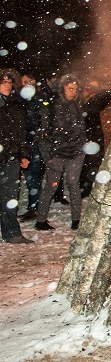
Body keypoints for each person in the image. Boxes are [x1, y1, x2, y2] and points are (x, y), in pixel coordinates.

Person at [36, 74, 87, 230]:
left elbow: (81, 129)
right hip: (56, 153)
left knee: (73, 185)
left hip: (75, 153)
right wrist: (48, 156)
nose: (73, 92)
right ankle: (40, 220)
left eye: (75, 89)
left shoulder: (77, 105)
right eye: (70, 88)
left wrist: (81, 148)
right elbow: (42, 133)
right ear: (62, 88)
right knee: (51, 187)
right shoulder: (51, 106)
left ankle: (76, 220)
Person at [0, 69, 34, 244]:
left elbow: (21, 133)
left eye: (9, 82)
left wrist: (24, 154)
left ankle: (12, 233)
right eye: (3, 81)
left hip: (11, 157)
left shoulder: (15, 104)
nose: (7, 85)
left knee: (10, 197)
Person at [79, 80, 111, 197]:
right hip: (83, 137)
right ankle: (83, 184)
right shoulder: (81, 100)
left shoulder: (95, 101)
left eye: (91, 88)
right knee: (84, 163)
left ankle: (88, 187)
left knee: (92, 164)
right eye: (87, 88)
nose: (87, 90)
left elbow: (91, 110)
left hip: (93, 138)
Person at [18, 73, 44, 220]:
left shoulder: (38, 99)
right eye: (24, 81)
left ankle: (34, 208)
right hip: (21, 142)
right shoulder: (18, 100)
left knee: (33, 177)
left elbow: (41, 121)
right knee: (26, 177)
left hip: (33, 143)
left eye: (30, 81)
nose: (27, 84)